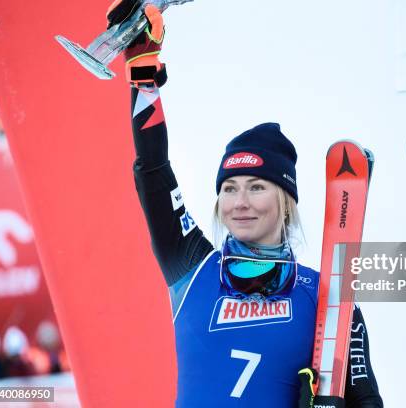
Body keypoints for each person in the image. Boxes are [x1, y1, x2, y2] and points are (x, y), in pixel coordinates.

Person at [106, 1, 384, 407]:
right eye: (229, 188)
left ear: (285, 200)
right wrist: (144, 77)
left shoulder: (327, 299)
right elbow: (152, 171)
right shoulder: (192, 268)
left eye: (257, 187)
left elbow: (369, 400)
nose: (240, 202)